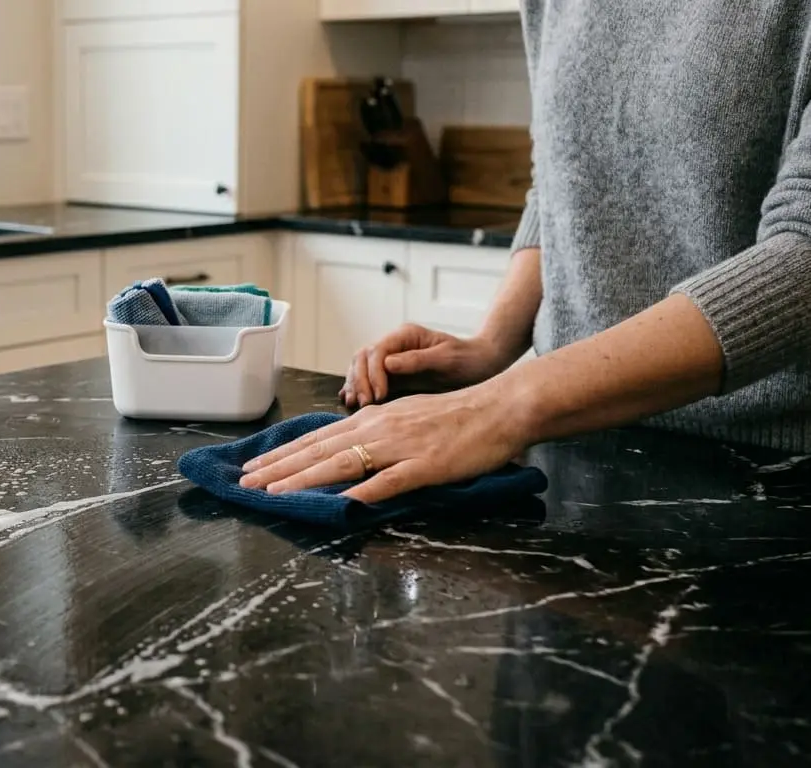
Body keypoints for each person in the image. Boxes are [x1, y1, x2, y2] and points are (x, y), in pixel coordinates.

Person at [241, 1, 811, 502]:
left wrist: (503, 405)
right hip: (569, 444)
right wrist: (492, 347)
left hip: (761, 472)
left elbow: (802, 251)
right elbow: (559, 182)